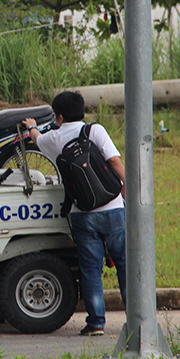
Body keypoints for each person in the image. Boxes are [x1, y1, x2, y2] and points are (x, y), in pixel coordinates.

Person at [22, 91, 126, 337]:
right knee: (124, 264)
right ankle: (135, 319)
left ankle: (96, 324)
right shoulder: (95, 131)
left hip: (82, 213)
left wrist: (32, 127)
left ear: (58, 116)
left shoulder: (53, 138)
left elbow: (36, 140)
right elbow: (115, 163)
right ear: (82, 111)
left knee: (90, 270)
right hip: (113, 209)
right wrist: (126, 192)